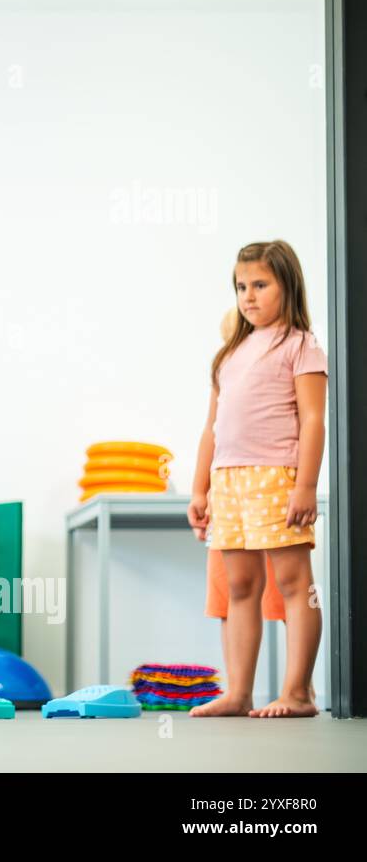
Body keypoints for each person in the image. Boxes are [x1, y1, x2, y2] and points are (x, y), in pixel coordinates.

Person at [187, 241, 326, 717]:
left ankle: (298, 693)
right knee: (240, 587)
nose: (249, 296)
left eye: (261, 285)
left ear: (288, 285)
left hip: (276, 476)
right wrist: (200, 487)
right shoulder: (230, 352)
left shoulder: (300, 344)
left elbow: (312, 420)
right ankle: (238, 692)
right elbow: (212, 426)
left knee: (293, 584)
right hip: (228, 481)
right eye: (242, 286)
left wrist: (305, 485)